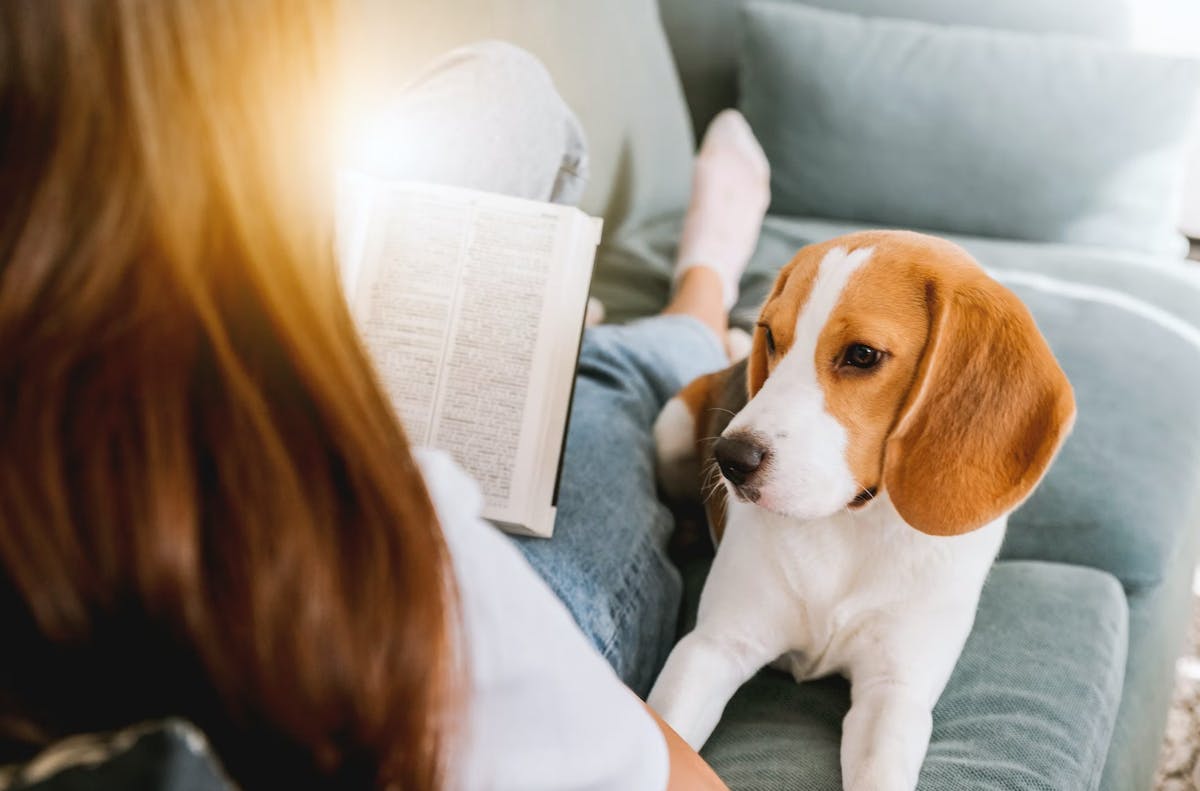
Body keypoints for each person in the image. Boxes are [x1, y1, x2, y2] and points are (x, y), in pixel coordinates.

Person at [0, 4, 766, 791]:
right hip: (356, 522)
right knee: (611, 393)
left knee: (508, 94)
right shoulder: (360, 569)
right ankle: (695, 305)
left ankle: (552, 325)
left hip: (173, 331)